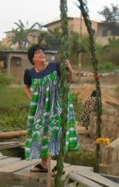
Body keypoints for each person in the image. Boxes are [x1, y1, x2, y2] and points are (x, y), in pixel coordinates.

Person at [23, 44, 80, 173]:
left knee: (58, 132)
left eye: (42, 52)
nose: (42, 54)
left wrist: (70, 70)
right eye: (38, 53)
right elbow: (26, 86)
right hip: (41, 109)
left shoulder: (55, 66)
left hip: (58, 105)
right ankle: (44, 164)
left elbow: (69, 80)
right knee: (40, 132)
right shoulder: (30, 73)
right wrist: (32, 98)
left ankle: (59, 165)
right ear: (33, 58)